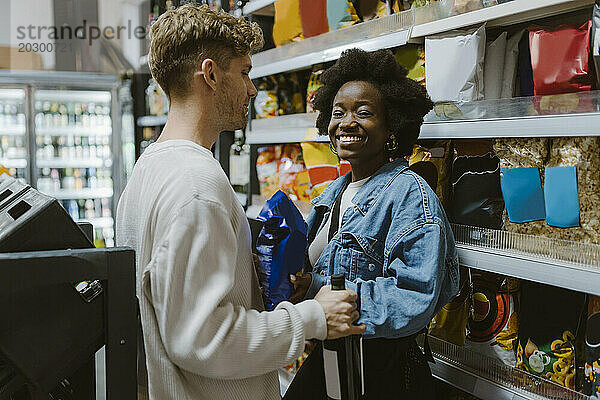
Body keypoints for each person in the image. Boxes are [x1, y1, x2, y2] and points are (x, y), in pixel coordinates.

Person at [116, 5, 365, 400]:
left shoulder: (149, 168)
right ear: (211, 74)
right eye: (245, 72)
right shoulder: (197, 184)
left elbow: (170, 298)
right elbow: (204, 339)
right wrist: (313, 317)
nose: (252, 89)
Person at [289, 48, 460, 398]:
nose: (346, 122)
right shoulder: (333, 194)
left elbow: (413, 296)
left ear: (391, 125)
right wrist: (305, 286)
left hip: (380, 371)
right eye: (338, 113)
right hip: (334, 359)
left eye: (363, 113)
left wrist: (333, 300)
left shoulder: (410, 194)